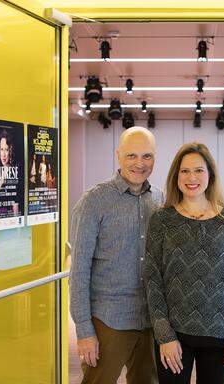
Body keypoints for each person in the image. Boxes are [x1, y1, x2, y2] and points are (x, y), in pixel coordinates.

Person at [144, 142, 224, 384]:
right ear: (176, 176)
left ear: (210, 175)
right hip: (174, 336)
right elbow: (152, 280)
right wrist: (164, 335)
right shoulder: (162, 220)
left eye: (199, 170)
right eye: (185, 171)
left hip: (218, 335)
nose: (192, 177)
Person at [69, 126, 163, 384]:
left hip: (150, 321)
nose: (139, 163)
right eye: (131, 155)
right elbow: (78, 269)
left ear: (155, 158)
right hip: (108, 321)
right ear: (118, 155)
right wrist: (84, 330)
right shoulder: (94, 201)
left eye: (147, 156)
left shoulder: (158, 198)